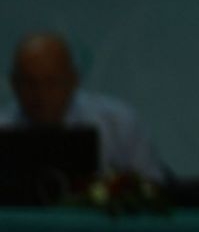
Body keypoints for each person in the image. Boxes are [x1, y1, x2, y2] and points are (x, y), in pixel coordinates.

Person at [2, 32, 164, 182]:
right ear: (14, 84)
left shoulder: (118, 123)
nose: (41, 94)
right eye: (30, 83)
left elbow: (152, 187)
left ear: (73, 80)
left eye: (51, 82)